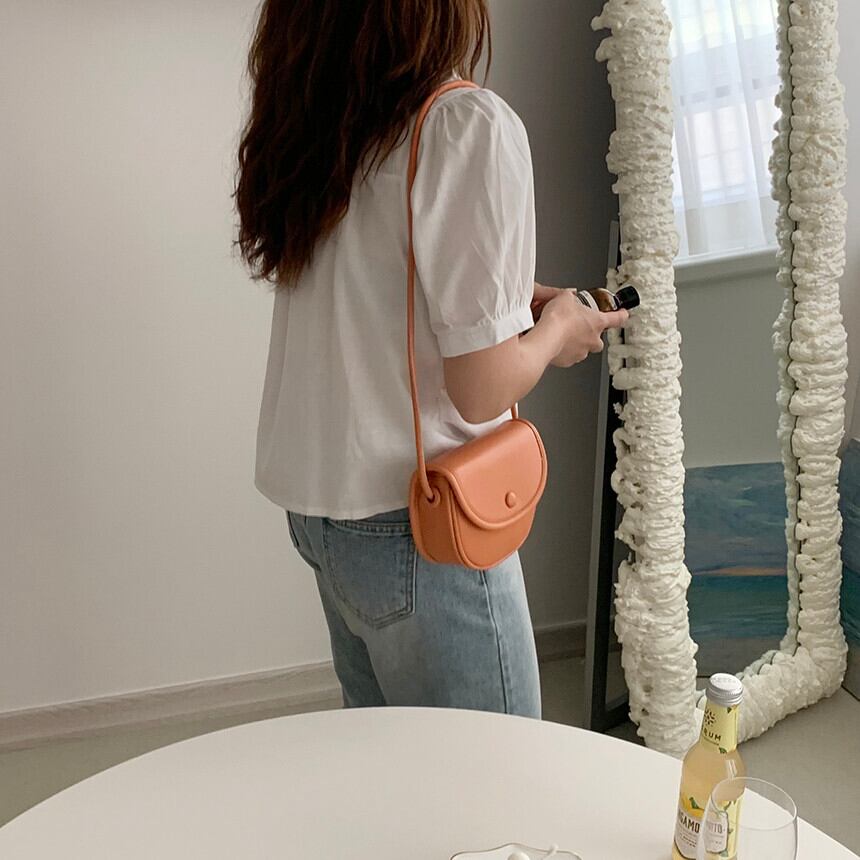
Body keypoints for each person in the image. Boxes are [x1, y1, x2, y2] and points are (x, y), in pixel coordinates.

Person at [233, 0, 628, 719]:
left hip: (325, 517)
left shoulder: (323, 132)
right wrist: (560, 331)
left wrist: (505, 305)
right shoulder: (464, 124)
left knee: (396, 763)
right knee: (496, 771)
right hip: (425, 522)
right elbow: (481, 391)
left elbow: (373, 295)